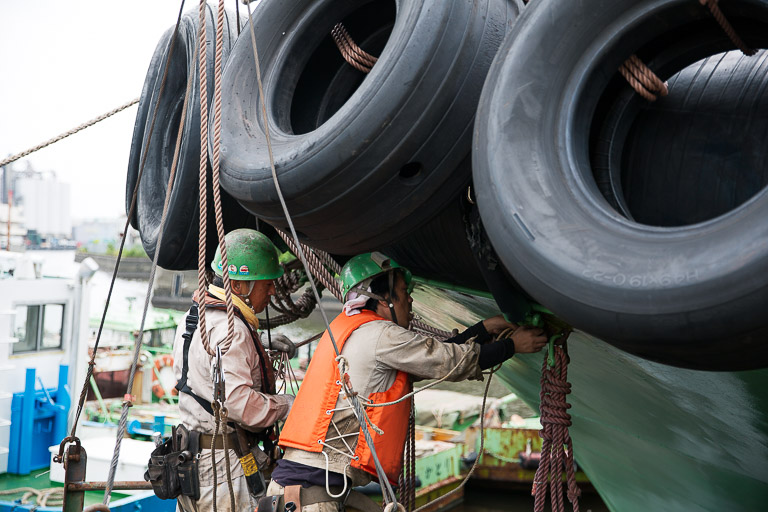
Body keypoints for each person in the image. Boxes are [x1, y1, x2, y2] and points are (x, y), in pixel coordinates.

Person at [265, 252, 547, 511]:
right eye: (403, 292)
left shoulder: (350, 329)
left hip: (298, 486)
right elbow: (446, 361)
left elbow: (428, 359)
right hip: (311, 495)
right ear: (382, 298)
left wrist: (482, 330)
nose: (410, 300)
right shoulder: (381, 334)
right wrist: (512, 347)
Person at [171, 229, 296, 512]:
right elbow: (243, 407)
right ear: (240, 286)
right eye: (268, 284)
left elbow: (190, 372)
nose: (274, 291)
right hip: (222, 468)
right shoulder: (235, 331)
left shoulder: (191, 319)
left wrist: (258, 346)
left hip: (189, 458)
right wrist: (289, 405)